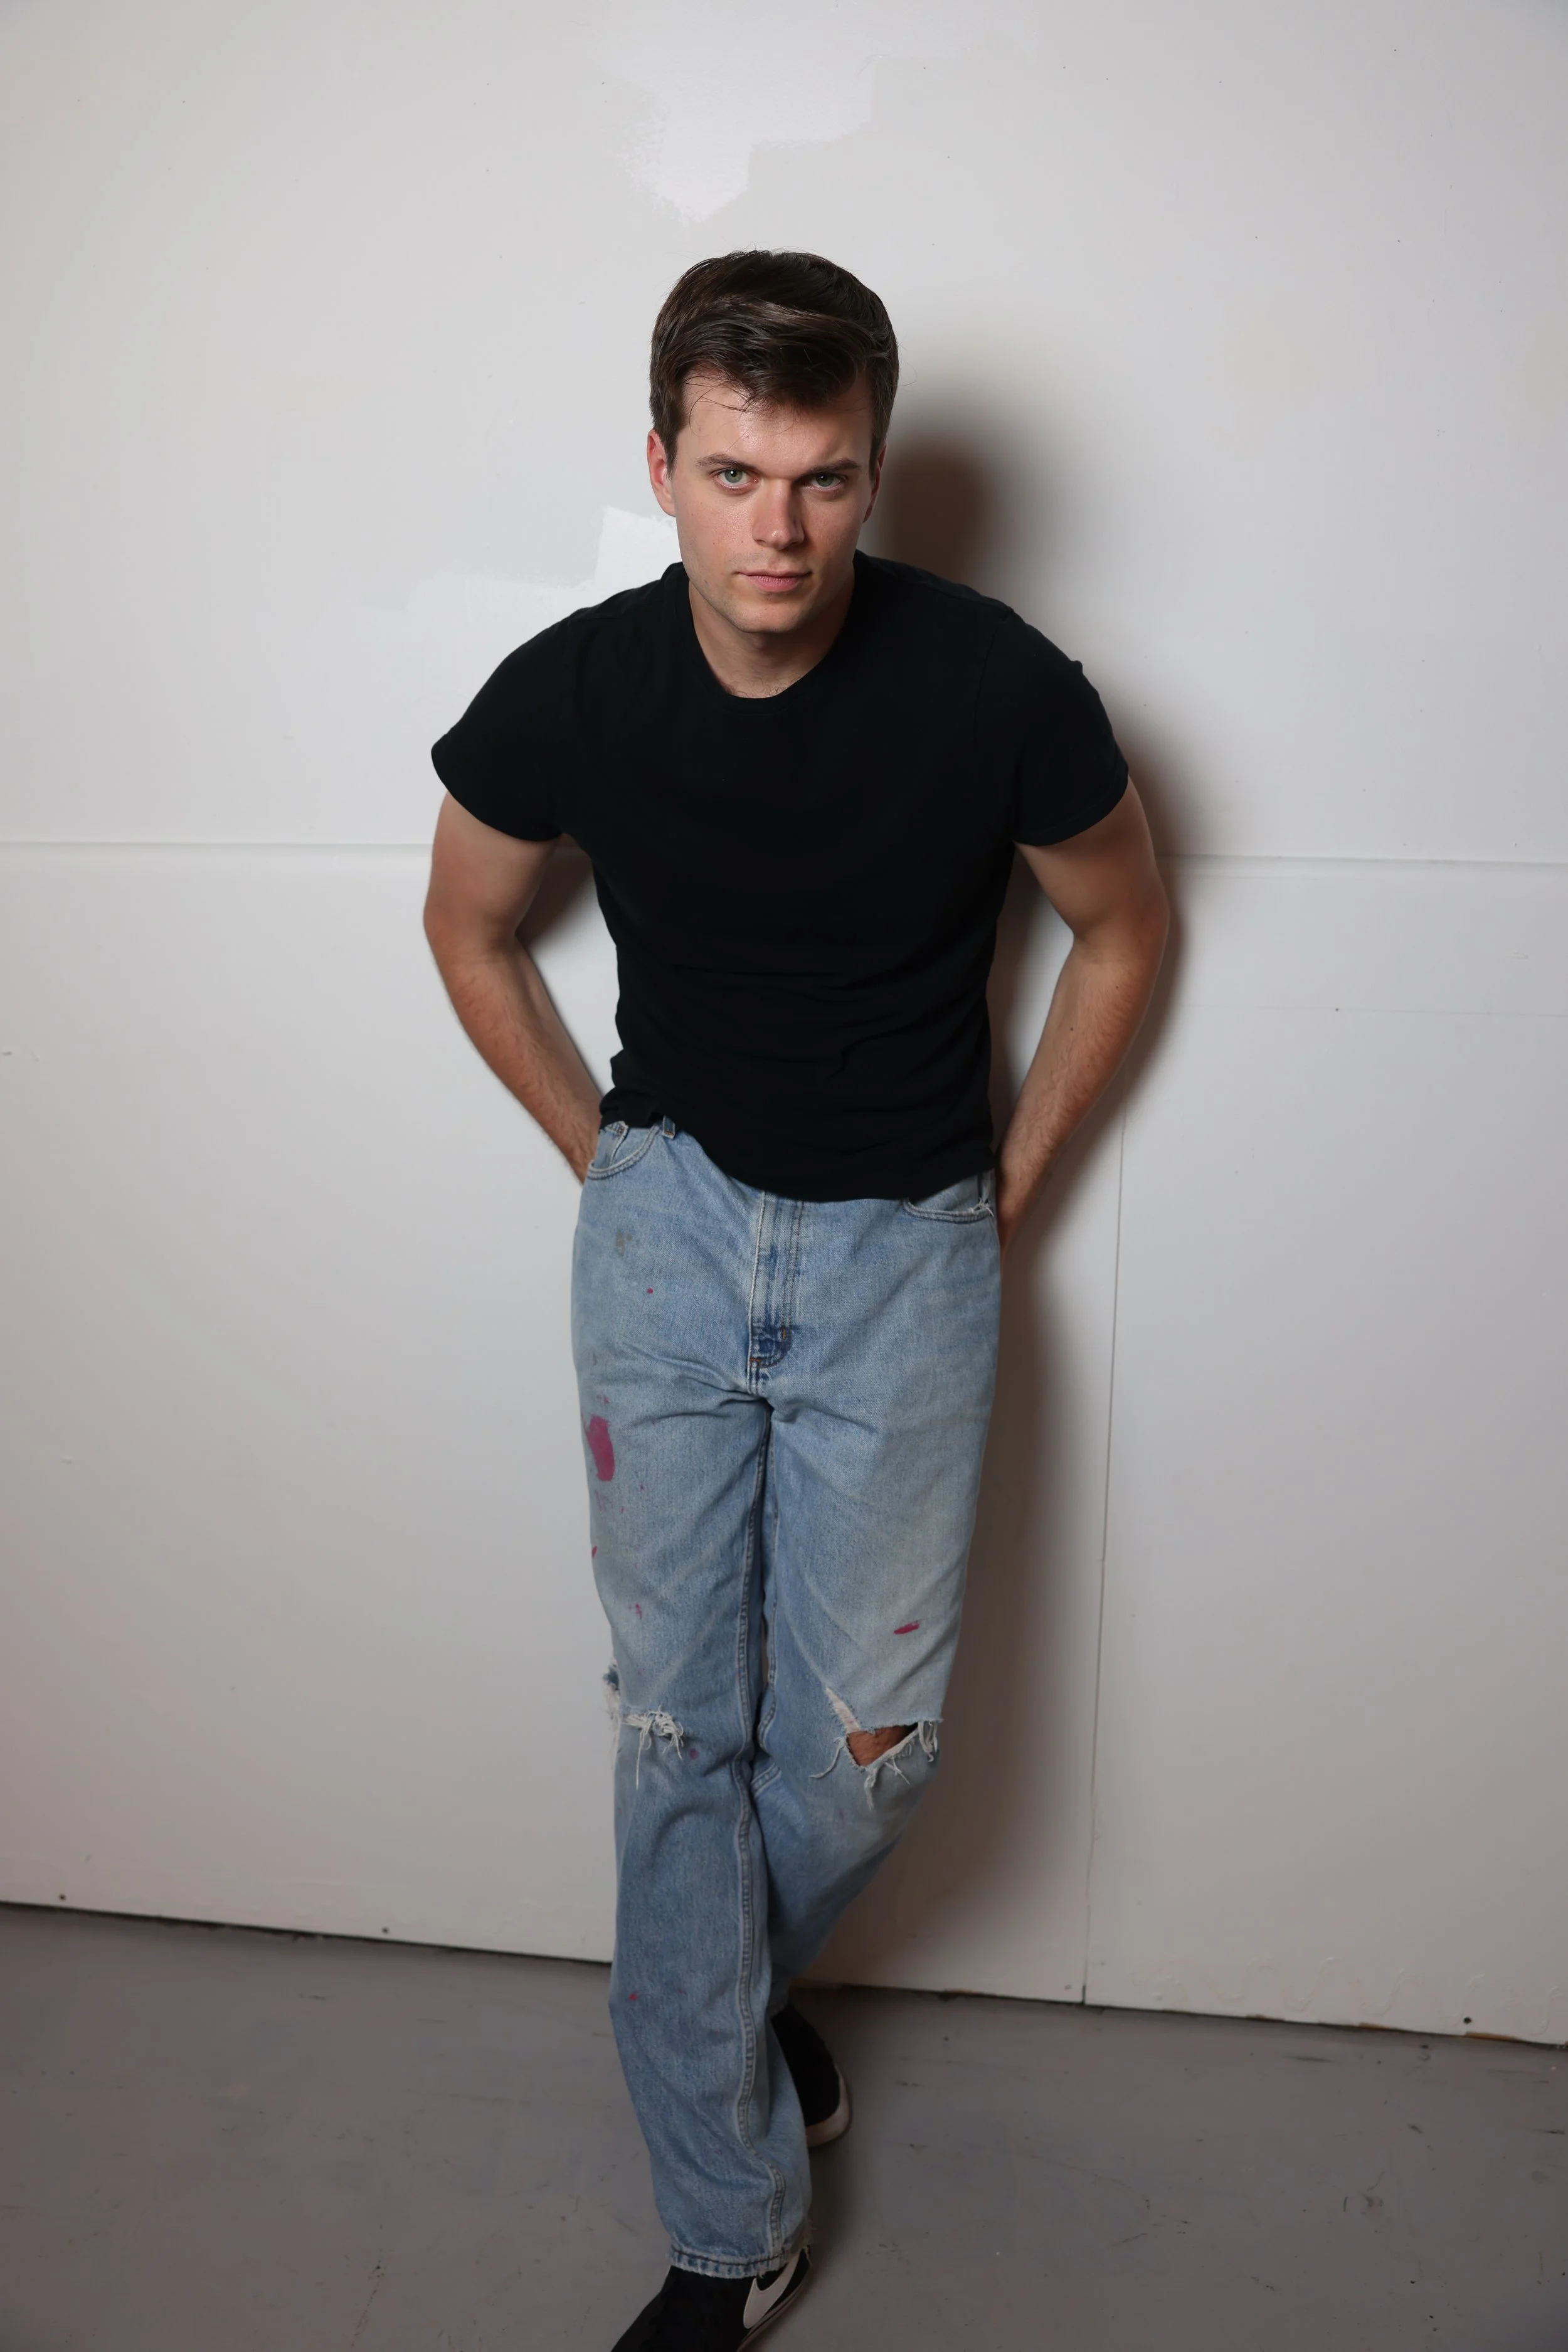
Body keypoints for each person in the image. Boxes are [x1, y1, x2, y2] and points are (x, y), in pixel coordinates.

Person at [423, 249, 1168, 2350]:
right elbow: (467, 923)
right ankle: (726, 2217)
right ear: (658, 461)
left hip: (900, 1249)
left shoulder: (997, 683)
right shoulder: (574, 685)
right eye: (735, 470)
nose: (778, 528)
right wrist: (608, 1160)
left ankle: (723, 2003)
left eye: (825, 478)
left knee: (867, 1754)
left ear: (874, 472)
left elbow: (1123, 925)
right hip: (668, 1229)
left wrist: (1006, 1182)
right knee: (677, 1731)